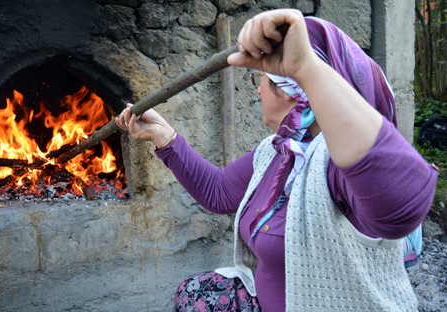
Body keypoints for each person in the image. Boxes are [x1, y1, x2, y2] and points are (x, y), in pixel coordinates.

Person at [115, 9, 438, 312]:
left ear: (290, 91)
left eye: (262, 81)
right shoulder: (278, 151)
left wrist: (306, 68)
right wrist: (165, 137)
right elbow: (218, 191)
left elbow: (402, 209)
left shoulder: (334, 165)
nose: (257, 92)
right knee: (194, 292)